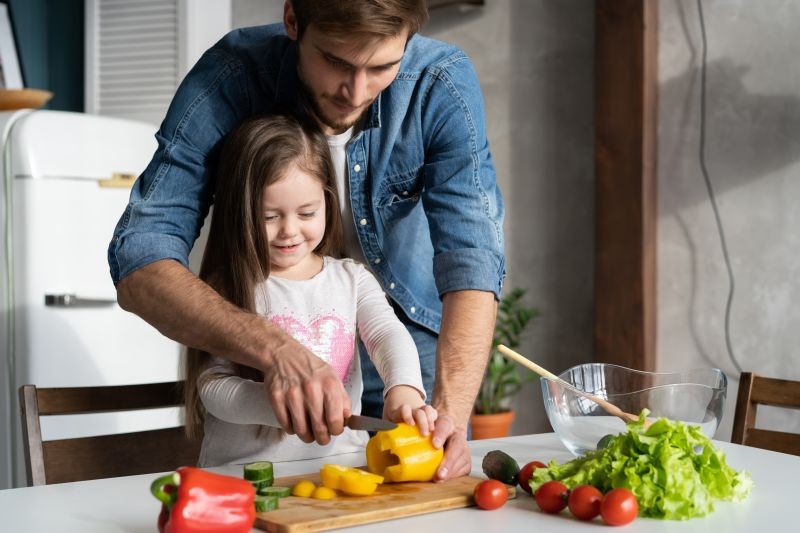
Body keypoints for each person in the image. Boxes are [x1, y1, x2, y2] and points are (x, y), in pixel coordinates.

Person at [109, 0, 504, 480]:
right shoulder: (230, 77)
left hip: (408, 354)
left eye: (382, 67)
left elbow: (472, 259)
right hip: (258, 367)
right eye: (337, 61)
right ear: (293, 20)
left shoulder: (438, 82)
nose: (356, 92)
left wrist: (447, 414)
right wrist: (277, 352)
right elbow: (139, 256)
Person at [185, 114, 438, 466]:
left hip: (341, 465)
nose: (289, 230)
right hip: (244, 473)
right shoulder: (228, 288)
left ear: (327, 202)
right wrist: (282, 406)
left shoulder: (352, 279)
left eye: (307, 213)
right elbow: (213, 388)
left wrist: (404, 388)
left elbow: (386, 333)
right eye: (269, 217)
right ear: (240, 213)